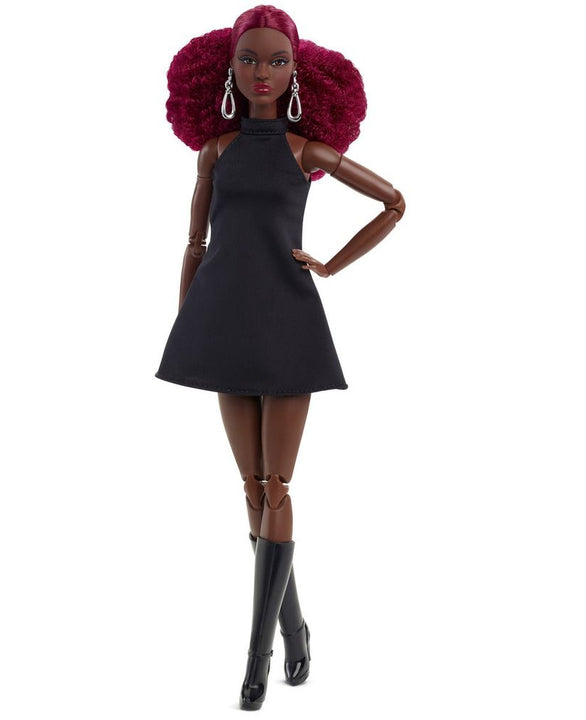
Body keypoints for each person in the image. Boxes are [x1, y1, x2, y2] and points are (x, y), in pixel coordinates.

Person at [155, 5, 405, 710]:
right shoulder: (214, 151)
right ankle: (294, 631)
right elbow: (195, 244)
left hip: (288, 325)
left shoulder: (307, 152)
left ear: (298, 72)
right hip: (222, 323)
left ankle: (255, 659)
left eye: (276, 61)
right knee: (250, 489)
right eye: (249, 59)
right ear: (226, 69)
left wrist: (330, 265)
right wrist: (186, 323)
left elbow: (394, 202)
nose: (261, 72)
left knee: (277, 488)